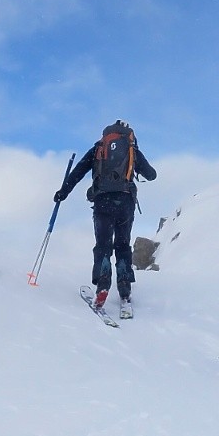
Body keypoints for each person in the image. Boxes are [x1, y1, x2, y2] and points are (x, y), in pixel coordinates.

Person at [54, 120, 157, 319]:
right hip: (125, 203)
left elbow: (78, 172)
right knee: (123, 245)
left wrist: (62, 192)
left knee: (103, 245)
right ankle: (125, 291)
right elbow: (151, 174)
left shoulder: (98, 149)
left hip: (102, 202)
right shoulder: (132, 150)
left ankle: (103, 285)